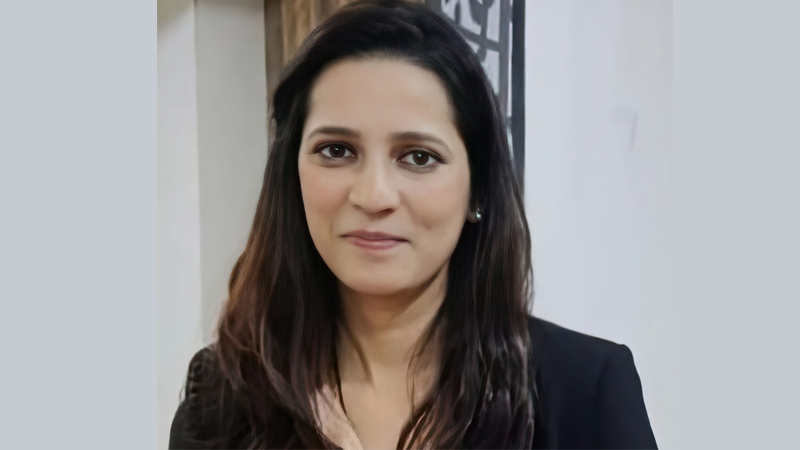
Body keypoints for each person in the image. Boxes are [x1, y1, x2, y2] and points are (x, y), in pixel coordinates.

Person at [168, 1, 657, 448]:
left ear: (478, 189)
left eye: (419, 157)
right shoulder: (223, 394)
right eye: (336, 150)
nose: (373, 195)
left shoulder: (586, 392)